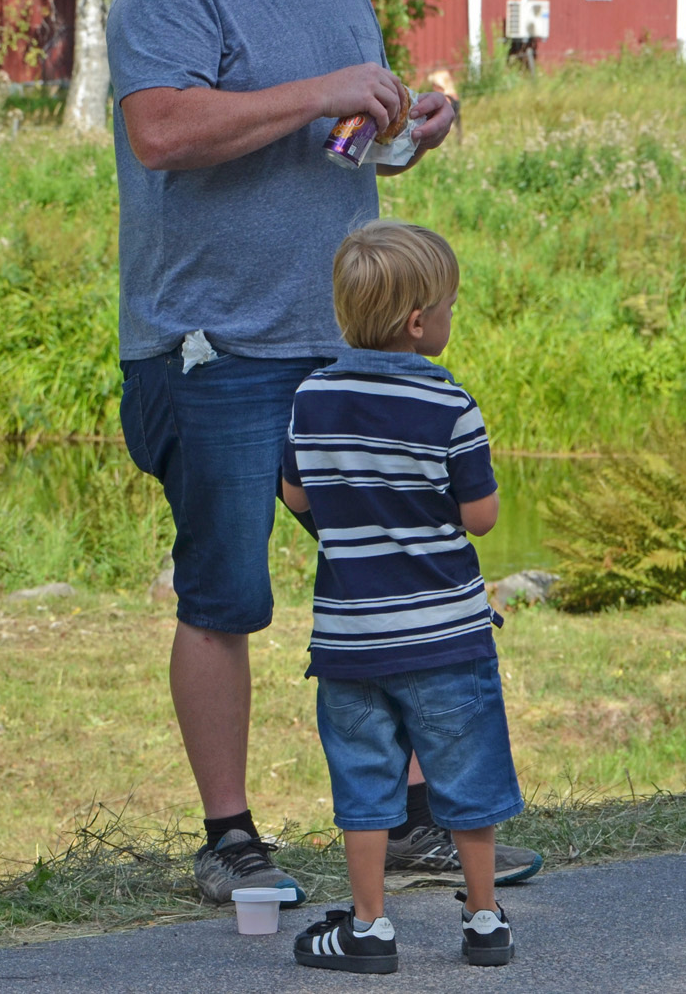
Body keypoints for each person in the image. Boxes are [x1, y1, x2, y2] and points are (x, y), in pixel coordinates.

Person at [105, 0, 535, 904]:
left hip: (344, 341)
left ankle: (405, 821)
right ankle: (229, 835)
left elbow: (340, 141)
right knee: (225, 594)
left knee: (395, 565)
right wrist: (316, 91)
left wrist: (409, 126)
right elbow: (160, 133)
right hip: (213, 347)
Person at [280, 221, 521, 973]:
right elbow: (479, 515)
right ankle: (484, 919)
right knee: (467, 772)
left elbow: (295, 492)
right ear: (419, 322)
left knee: (363, 779)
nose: (450, 317)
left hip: (351, 639)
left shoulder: (312, 395)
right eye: (447, 305)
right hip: (446, 635)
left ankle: (369, 925)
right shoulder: (449, 402)